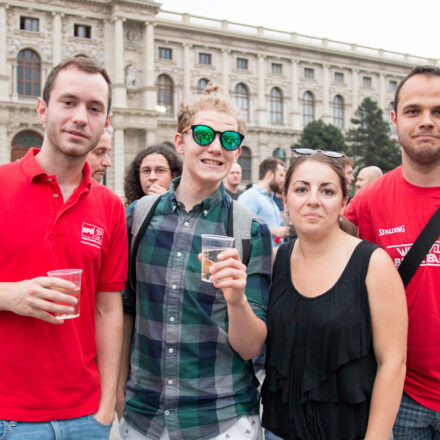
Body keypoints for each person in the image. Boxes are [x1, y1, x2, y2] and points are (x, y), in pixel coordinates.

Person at [117, 85, 272, 440]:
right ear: (181, 142)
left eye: (229, 140)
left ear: (237, 152)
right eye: (203, 134)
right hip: (144, 418)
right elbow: (124, 314)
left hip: (223, 420)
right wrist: (117, 398)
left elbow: (251, 347)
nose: (216, 147)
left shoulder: (250, 230)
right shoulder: (137, 218)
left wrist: (237, 299)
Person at [0, 56, 128, 439]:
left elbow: (108, 309)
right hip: (9, 417)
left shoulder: (110, 206)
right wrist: (8, 294)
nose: (80, 118)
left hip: (86, 419)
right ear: (42, 109)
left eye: (94, 109)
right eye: (68, 102)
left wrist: (105, 409)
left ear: (106, 123)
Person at [262, 151, 408, 440]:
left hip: (353, 430)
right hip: (282, 430)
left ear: (343, 202)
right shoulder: (276, 261)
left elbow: (392, 361)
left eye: (327, 190)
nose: (313, 199)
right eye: (301, 189)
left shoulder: (373, 263)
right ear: (285, 201)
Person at [345, 65, 440, 439]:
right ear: (394, 119)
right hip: (402, 396)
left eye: (438, 112)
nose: (427, 122)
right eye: (414, 111)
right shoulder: (367, 204)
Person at [238, 157, 289, 247]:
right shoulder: (250, 196)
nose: (283, 180)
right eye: (281, 175)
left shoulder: (270, 199)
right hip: (259, 258)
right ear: (269, 174)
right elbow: (242, 226)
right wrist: (275, 231)